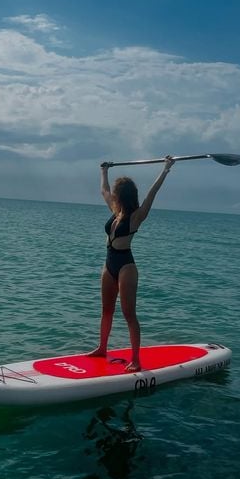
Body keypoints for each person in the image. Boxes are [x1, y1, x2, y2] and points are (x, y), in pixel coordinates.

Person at [87, 156, 175, 372]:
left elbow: (151, 194)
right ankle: (102, 348)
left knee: (128, 314)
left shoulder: (137, 217)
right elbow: (103, 191)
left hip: (126, 266)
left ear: (123, 195)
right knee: (106, 310)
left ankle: (136, 359)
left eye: (116, 193)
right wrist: (104, 171)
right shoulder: (115, 212)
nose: (113, 195)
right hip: (109, 265)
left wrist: (165, 169)